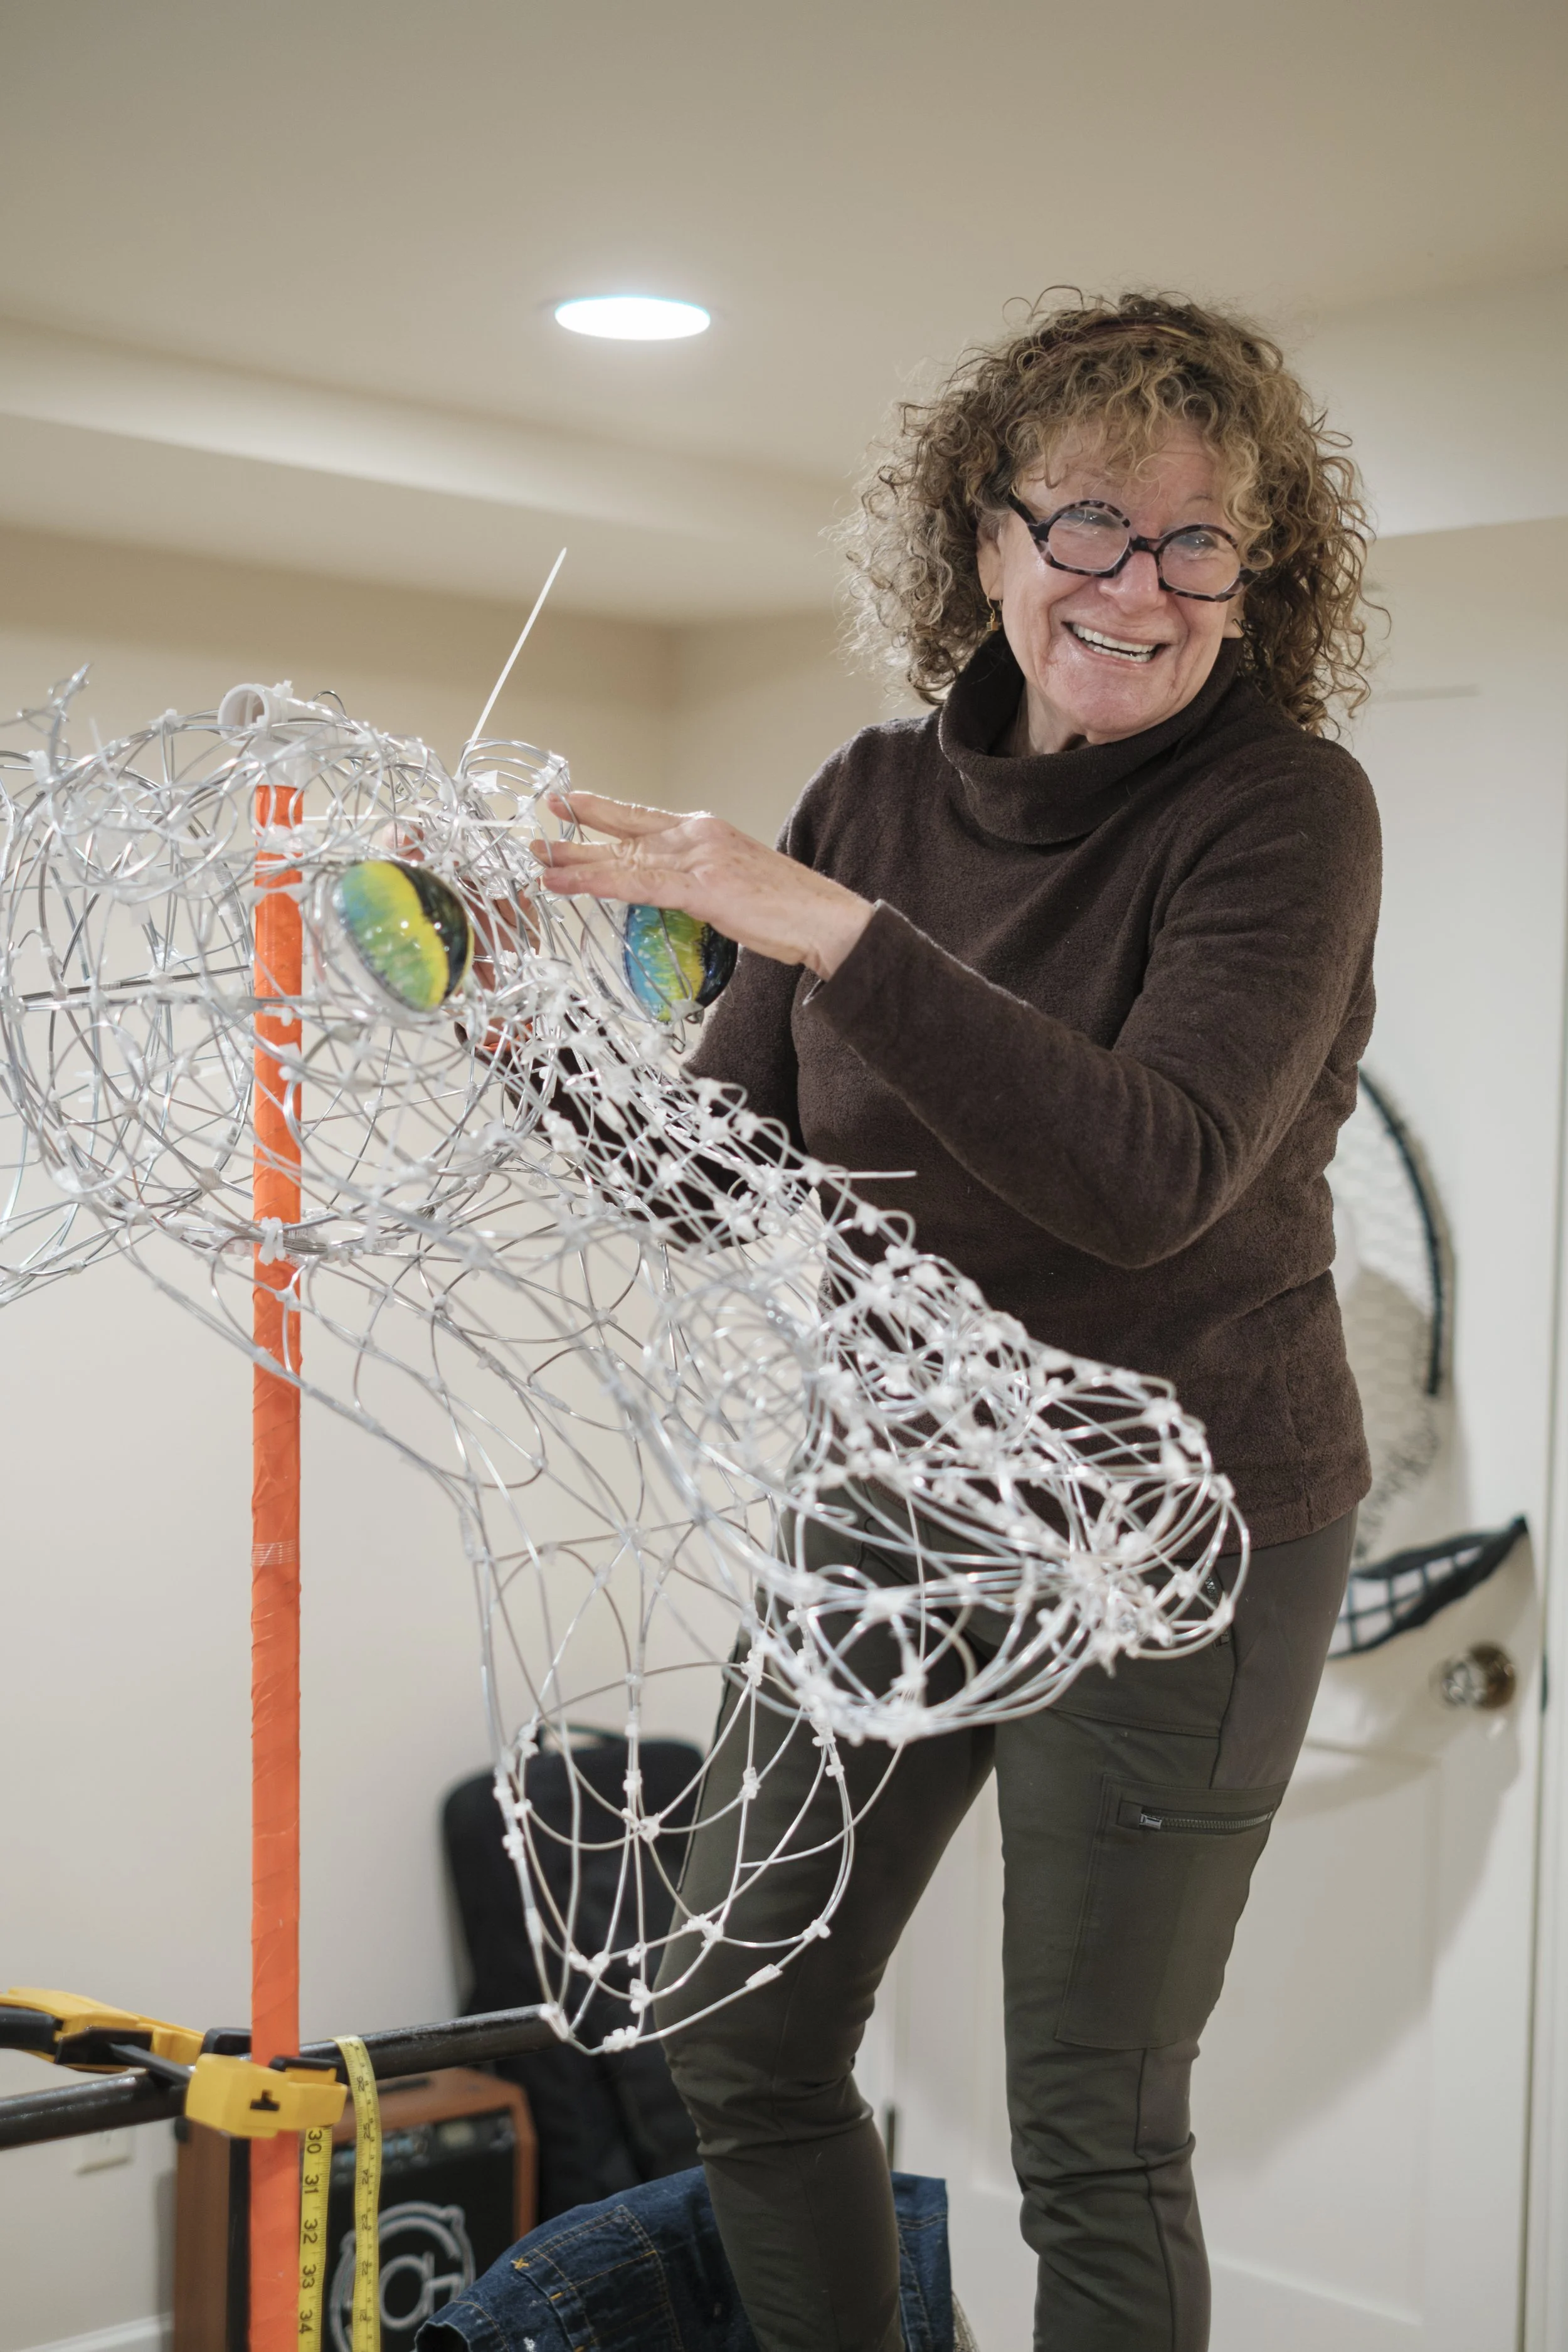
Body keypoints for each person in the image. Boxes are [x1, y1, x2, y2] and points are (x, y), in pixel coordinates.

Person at [528, 291, 1380, 2352]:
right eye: (1086, 523)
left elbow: (1151, 1164)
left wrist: (826, 926)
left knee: (1092, 2118)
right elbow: (720, 1182)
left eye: (1197, 542)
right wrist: (502, 1010)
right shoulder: (875, 789)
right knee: (736, 2019)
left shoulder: (1281, 811)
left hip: (1181, 1527)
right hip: (899, 1491)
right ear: (982, 540)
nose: (1136, 585)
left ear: (1253, 580)